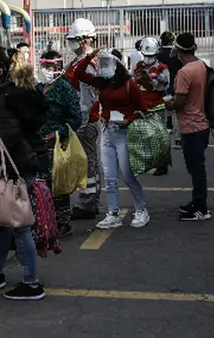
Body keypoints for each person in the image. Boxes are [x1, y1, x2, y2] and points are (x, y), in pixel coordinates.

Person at [0, 46, 48, 300]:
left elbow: (8, 138)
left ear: (1, 71)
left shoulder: (6, 97)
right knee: (4, 220)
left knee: (19, 224)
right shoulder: (24, 90)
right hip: (25, 159)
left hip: (16, 163)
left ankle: (31, 282)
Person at [73, 49, 152, 229]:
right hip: (107, 131)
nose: (104, 66)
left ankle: (141, 210)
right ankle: (113, 212)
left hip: (124, 133)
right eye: (103, 63)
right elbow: (79, 74)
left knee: (127, 174)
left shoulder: (128, 84)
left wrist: (129, 120)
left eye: (108, 63)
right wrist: (90, 55)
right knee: (109, 177)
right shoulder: (102, 82)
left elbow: (143, 111)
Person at [36, 48, 81, 237]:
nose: (45, 69)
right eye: (43, 65)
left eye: (49, 66)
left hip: (57, 145)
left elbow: (75, 119)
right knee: (40, 185)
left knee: (58, 186)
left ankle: (63, 223)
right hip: (38, 144)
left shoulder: (65, 88)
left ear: (58, 66)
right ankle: (45, 222)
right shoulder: (38, 88)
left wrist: (59, 133)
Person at [64, 18, 102, 220]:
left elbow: (87, 99)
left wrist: (81, 122)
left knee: (88, 163)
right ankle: (90, 201)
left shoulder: (89, 64)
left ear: (85, 40)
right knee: (88, 162)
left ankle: (88, 204)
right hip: (80, 119)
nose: (71, 43)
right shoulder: (78, 62)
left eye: (75, 39)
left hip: (85, 120)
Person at [171, 33, 211, 222]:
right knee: (197, 168)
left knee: (196, 169)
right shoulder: (201, 65)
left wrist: (167, 104)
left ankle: (201, 208)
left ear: (179, 51)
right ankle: (197, 202)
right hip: (202, 123)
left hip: (191, 126)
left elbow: (179, 102)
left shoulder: (184, 73)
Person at [134, 37, 171, 176]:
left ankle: (163, 165)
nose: (148, 59)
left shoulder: (162, 68)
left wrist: (153, 79)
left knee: (159, 136)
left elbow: (165, 85)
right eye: (146, 56)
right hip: (142, 105)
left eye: (151, 56)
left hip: (157, 105)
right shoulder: (139, 66)